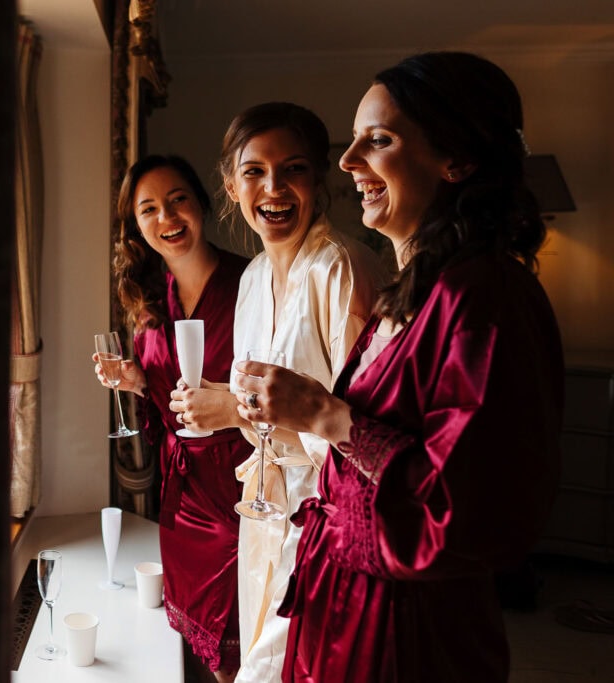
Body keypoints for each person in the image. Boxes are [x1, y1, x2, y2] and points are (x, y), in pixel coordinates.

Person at [232, 52, 564, 682]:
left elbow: (467, 510)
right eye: (354, 141)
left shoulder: (483, 298)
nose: (348, 161)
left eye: (377, 140)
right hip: (344, 607)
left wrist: (324, 413)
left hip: (405, 635)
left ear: (456, 159)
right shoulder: (414, 290)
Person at [169, 102, 385, 682]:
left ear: (319, 179)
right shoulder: (254, 278)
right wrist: (219, 402)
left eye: (292, 169)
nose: (274, 187)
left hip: (324, 522)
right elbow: (264, 396)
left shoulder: (339, 270)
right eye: (254, 171)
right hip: (263, 514)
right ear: (230, 184)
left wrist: (234, 412)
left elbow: (365, 430)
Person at [94, 155, 252, 682]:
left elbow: (283, 385)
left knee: (251, 647)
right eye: (149, 209)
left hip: (244, 491)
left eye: (178, 199)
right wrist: (136, 382)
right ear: (136, 227)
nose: (167, 217)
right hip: (181, 497)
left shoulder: (250, 286)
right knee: (200, 653)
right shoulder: (146, 306)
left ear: (202, 203)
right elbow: (163, 404)